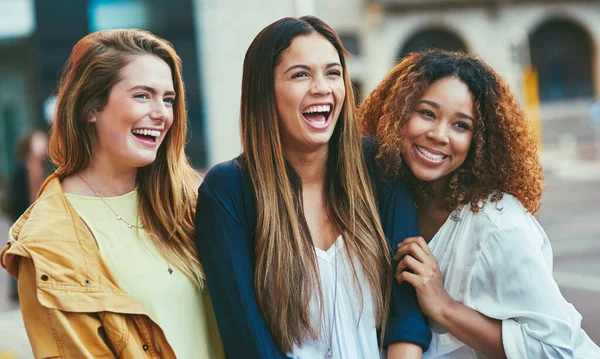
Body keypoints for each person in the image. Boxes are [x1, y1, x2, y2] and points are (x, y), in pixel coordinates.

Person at [195, 16, 430, 359]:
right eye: (300, 74)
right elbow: (248, 341)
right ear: (265, 91)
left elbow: (406, 313)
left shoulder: (381, 167)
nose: (322, 87)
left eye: (333, 73)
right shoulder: (228, 191)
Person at [359, 49, 600, 358]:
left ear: (480, 139)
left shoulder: (498, 225)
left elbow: (557, 349)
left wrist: (444, 307)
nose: (439, 135)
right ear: (397, 114)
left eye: (461, 125)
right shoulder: (387, 194)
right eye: (427, 113)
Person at [0, 29, 224, 358]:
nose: (162, 113)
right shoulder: (47, 244)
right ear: (92, 108)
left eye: (168, 98)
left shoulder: (192, 203)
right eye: (142, 95)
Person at [6, 130, 50, 302]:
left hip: (43, 217)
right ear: (29, 145)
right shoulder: (21, 168)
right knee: (19, 252)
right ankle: (16, 289)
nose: (43, 144)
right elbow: (15, 197)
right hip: (24, 218)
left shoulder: (47, 166)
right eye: (38, 141)